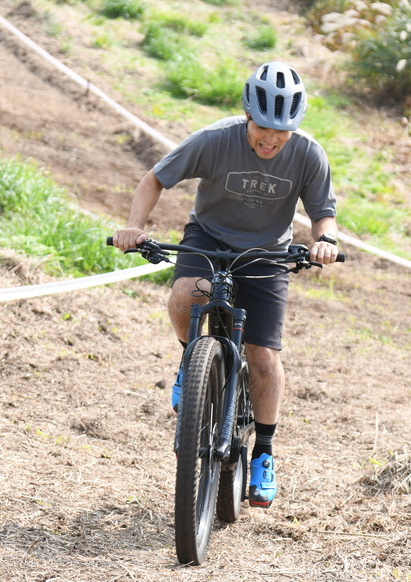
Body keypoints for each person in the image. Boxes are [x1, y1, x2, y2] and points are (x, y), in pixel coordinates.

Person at [112, 60, 339, 508]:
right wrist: (134, 225)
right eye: (263, 128)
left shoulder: (309, 154)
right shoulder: (215, 139)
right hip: (209, 238)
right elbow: (155, 178)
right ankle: (190, 360)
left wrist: (325, 241)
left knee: (263, 356)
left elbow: (323, 213)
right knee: (187, 292)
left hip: (268, 252)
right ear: (247, 114)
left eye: (282, 131)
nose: (271, 139)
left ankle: (264, 453)